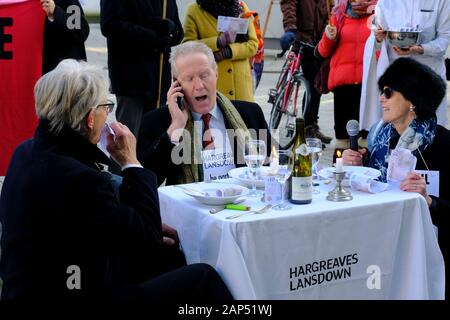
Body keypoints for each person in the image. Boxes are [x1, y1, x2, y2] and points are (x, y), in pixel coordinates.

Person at [0, 59, 233, 300]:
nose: (108, 116)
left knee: (169, 253)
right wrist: (130, 161)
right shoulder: (79, 178)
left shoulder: (25, 152)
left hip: (32, 283)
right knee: (203, 278)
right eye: (106, 107)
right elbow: (146, 240)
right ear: (90, 118)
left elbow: (90, 221)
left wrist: (140, 222)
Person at [343, 58, 450, 298]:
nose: (381, 98)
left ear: (412, 100)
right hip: (381, 246)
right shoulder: (380, 142)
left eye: (388, 92)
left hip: (428, 254)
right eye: (382, 92)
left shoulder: (444, 145)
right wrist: (359, 167)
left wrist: (428, 201)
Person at [137, 41, 270, 186]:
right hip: (188, 207)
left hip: (243, 204)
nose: (199, 86)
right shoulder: (157, 121)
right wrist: (175, 128)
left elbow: (272, 166)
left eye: (204, 75)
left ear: (216, 73)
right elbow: (147, 181)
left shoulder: (250, 113)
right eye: (189, 79)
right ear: (176, 84)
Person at [360, 0, 450, 132]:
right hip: (397, 77)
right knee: (396, 130)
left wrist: (420, 48)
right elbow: (378, 40)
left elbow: (444, 39)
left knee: (430, 132)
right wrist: (378, 37)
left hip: (429, 77)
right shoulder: (386, 2)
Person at [100, 0, 183, 138]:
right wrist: (153, 35)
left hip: (159, 81)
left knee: (151, 140)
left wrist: (171, 29)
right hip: (131, 79)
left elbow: (178, 33)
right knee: (127, 139)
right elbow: (110, 25)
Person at [315, 0, 376, 150]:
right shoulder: (338, 13)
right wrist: (330, 37)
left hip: (369, 86)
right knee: (342, 140)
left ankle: (366, 170)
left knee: (366, 139)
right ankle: (340, 171)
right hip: (343, 88)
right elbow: (322, 51)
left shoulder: (380, 12)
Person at [182, 0, 258, 102]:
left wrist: (227, 52)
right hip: (214, 90)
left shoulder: (241, 7)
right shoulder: (194, 10)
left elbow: (253, 44)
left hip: (242, 90)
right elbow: (187, 47)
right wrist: (217, 42)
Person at [280, 0, 333, 144]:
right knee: (312, 83)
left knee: (318, 85)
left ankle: (312, 125)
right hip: (302, 40)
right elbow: (288, 6)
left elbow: (331, 13)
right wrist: (290, 28)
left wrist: (328, 34)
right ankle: (308, 127)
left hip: (320, 43)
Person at [41, 0, 89, 74]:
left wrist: (55, 11)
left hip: (64, 75)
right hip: (32, 71)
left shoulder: (68, 2)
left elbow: (81, 32)